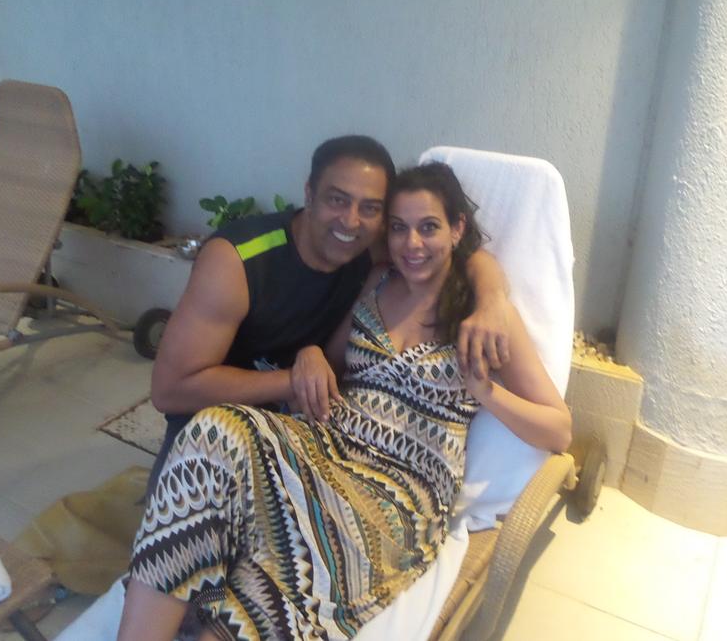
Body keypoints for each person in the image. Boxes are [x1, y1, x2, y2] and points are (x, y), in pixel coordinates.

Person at [119, 162, 572, 641]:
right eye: (398, 228)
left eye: (429, 227)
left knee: (282, 580)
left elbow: (559, 430)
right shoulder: (377, 282)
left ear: (457, 229)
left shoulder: (483, 317)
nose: (412, 244)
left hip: (396, 496)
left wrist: (487, 392)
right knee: (214, 431)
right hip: (326, 446)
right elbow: (331, 365)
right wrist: (311, 355)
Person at [146, 136, 512, 493]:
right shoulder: (237, 261)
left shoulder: (368, 245)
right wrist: (294, 380)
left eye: (370, 208)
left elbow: (458, 252)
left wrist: (492, 300)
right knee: (190, 506)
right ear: (309, 194)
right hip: (216, 416)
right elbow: (170, 390)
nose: (350, 221)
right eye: (338, 200)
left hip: (312, 430)